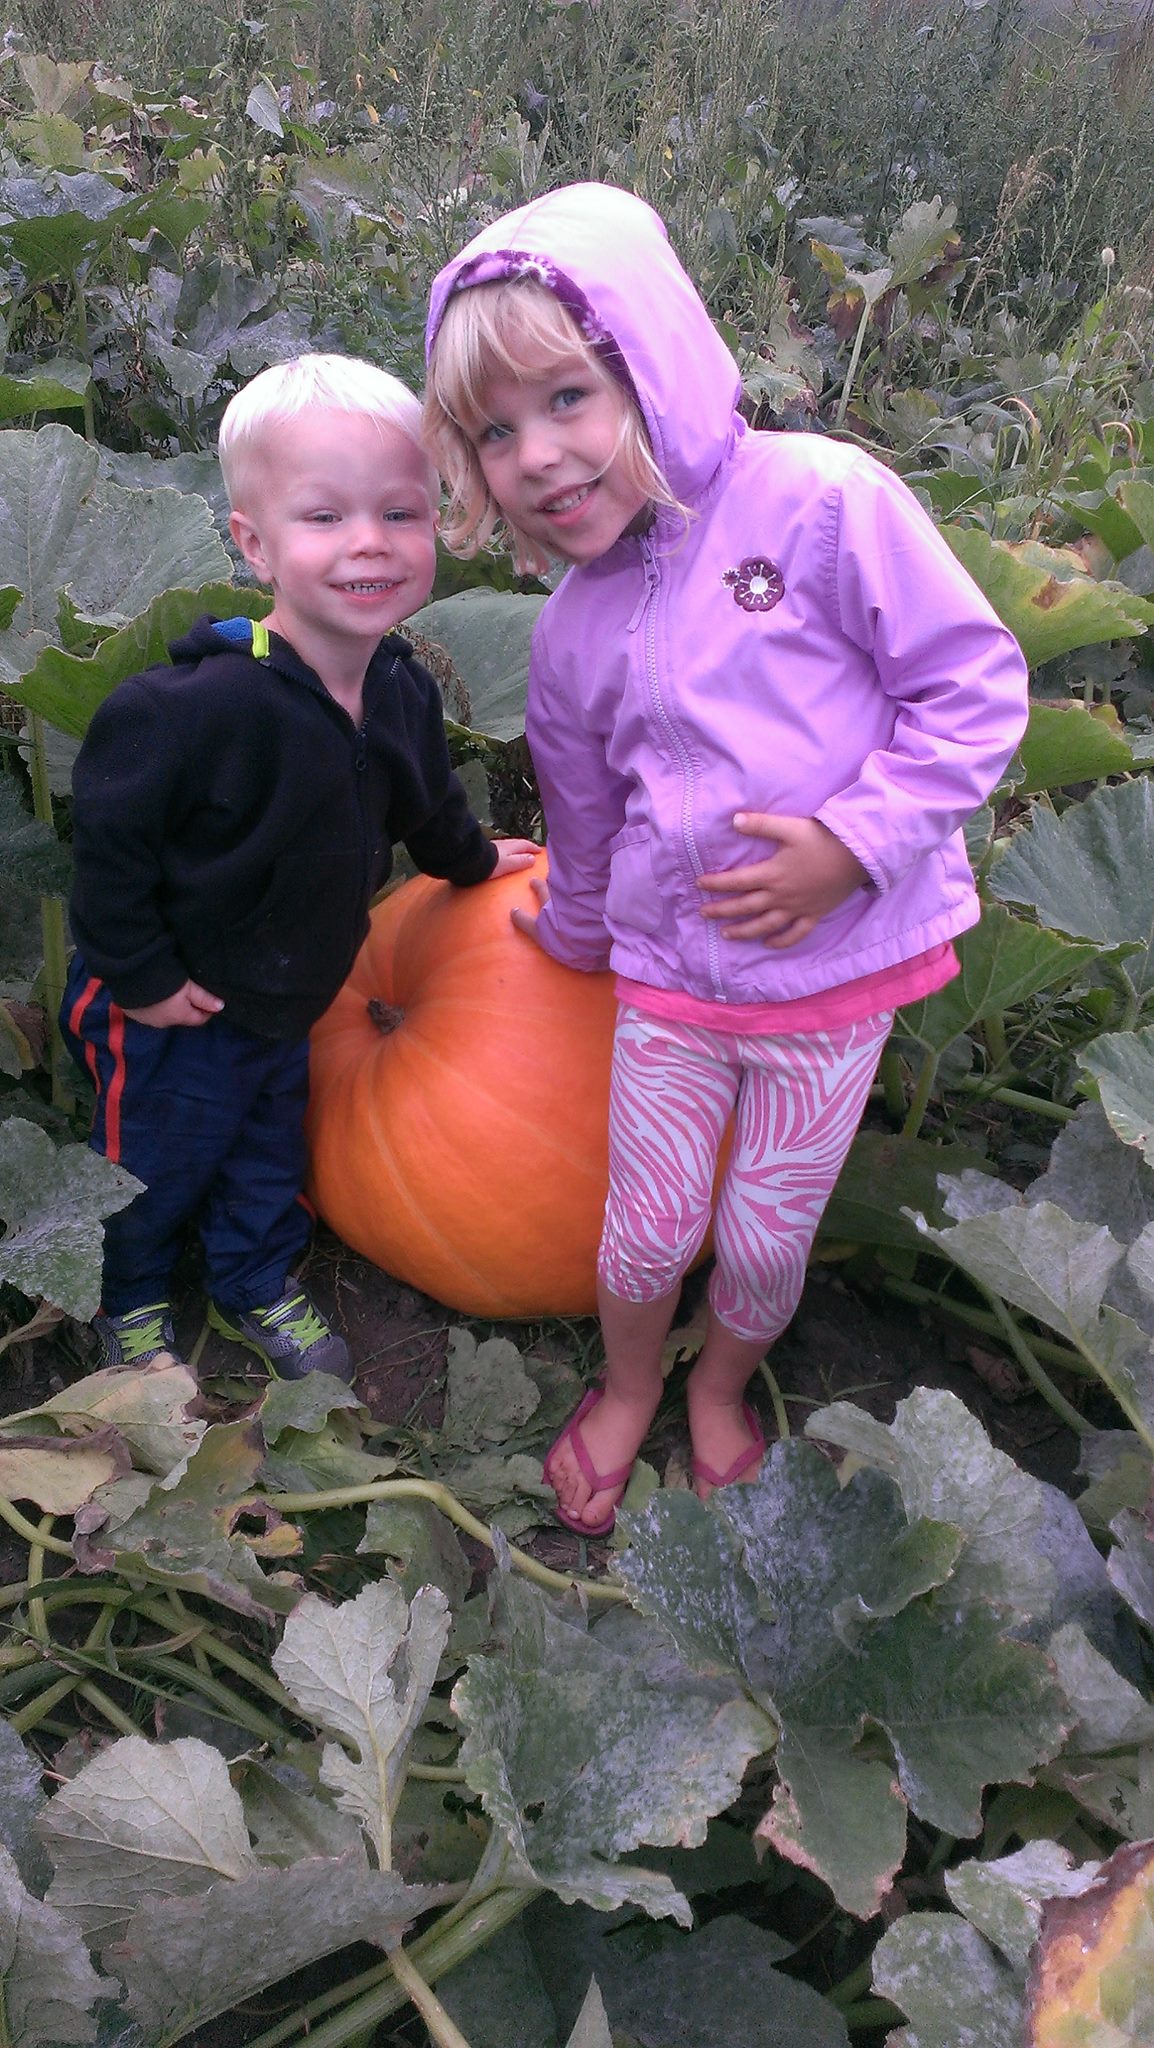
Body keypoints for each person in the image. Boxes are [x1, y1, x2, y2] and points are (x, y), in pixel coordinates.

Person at [423, 182, 1029, 1533]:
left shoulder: (818, 501)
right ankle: (633, 1383)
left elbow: (972, 686)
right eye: (494, 432)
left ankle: (720, 1387)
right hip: (672, 992)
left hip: (830, 990)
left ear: (655, 366)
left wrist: (851, 845)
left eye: (566, 397)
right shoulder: (571, 631)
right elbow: (580, 816)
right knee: (640, 1233)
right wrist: (571, 931)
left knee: (761, 1239)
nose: (535, 452)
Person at [63, 352, 535, 1381]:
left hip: (289, 997)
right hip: (168, 1001)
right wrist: (137, 976)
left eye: (400, 514)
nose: (369, 542)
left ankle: (250, 1278)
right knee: (153, 1158)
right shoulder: (188, 709)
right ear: (254, 544)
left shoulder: (402, 690)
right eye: (324, 518)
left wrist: (472, 859)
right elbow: (106, 848)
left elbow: (426, 806)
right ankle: (131, 1295)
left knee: (268, 1147)